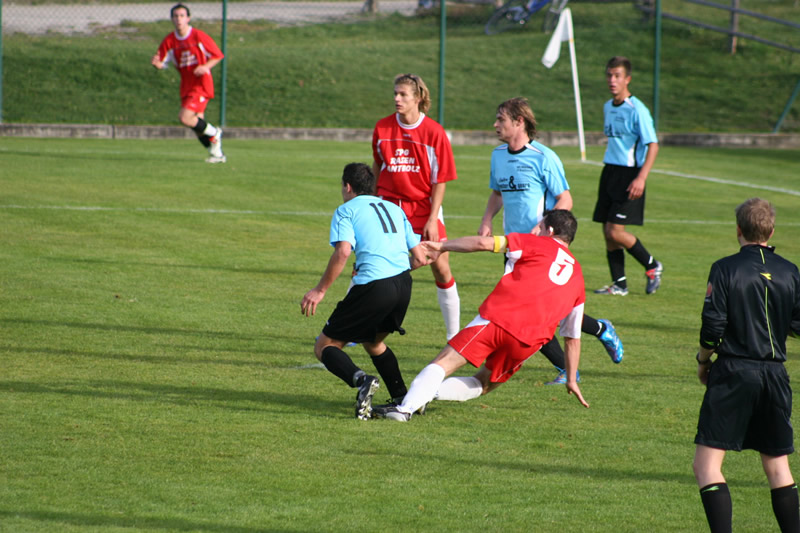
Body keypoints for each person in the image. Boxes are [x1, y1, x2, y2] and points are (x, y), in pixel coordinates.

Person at [373, 209, 590, 422]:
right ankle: (425, 395)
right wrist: (571, 378)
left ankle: (405, 408)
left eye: (540, 227)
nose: (536, 231)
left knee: (444, 361)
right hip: (529, 342)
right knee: (484, 384)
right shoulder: (580, 279)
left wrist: (442, 245)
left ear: (550, 231)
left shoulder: (534, 242)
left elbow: (483, 243)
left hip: (499, 319)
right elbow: (572, 338)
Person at [471, 97, 622, 391]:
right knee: (538, 313)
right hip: (513, 247)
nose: (495, 124)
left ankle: (570, 368)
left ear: (519, 122)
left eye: (501, 119)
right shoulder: (498, 155)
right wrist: (487, 220)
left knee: (529, 314)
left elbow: (565, 199)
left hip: (543, 248)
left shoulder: (543, 157)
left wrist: (540, 228)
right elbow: (497, 193)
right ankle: (599, 331)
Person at [692, 198, 800, 533]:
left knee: (707, 466)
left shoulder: (725, 268)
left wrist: (702, 359)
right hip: (775, 376)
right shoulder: (790, 271)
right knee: (778, 467)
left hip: (734, 371)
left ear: (738, 229)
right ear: (771, 230)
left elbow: (713, 327)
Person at [301, 163, 430, 420]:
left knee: (325, 346)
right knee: (373, 341)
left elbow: (343, 251)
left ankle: (362, 381)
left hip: (374, 286)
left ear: (347, 186)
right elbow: (420, 258)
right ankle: (403, 397)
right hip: (403, 284)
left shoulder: (345, 210)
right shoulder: (394, 208)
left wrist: (319, 290)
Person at [372, 73, 460, 343]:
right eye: (395, 94)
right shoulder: (382, 128)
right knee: (371, 264)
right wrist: (373, 202)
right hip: (389, 205)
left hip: (424, 207)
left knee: (441, 267)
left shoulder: (434, 132)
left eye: (403, 95)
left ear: (418, 99)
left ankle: (454, 336)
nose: (397, 99)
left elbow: (440, 179)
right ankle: (358, 326)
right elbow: (378, 166)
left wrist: (433, 218)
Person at [593, 56, 662, 296]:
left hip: (630, 175)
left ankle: (652, 265)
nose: (612, 80)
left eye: (618, 76)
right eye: (609, 75)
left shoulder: (638, 110)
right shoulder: (607, 107)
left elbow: (652, 145)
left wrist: (641, 178)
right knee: (607, 233)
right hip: (610, 171)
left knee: (616, 232)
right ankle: (619, 285)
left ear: (627, 79)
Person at [151, 3, 226, 164]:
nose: (179, 19)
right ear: (171, 19)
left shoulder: (198, 36)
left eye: (182, 16)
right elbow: (162, 61)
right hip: (186, 85)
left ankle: (215, 132)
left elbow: (218, 55)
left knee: (185, 117)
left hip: (201, 84)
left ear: (188, 18)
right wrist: (158, 65)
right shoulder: (170, 41)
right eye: (176, 16)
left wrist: (205, 66)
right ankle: (217, 154)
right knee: (197, 126)